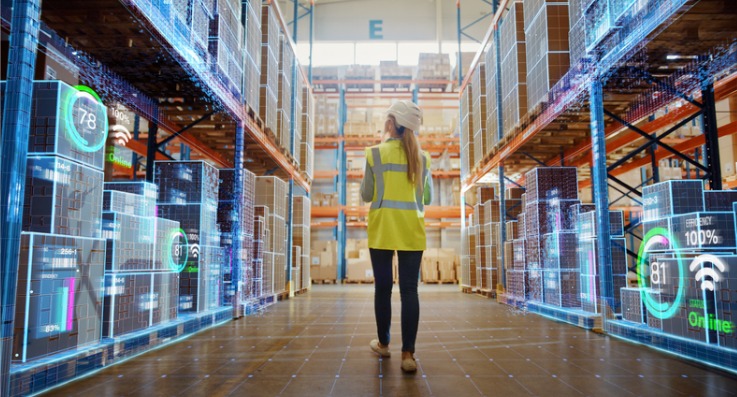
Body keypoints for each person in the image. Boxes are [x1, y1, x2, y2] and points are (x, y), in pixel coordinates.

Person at [360, 100, 432, 373]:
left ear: (392, 123)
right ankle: (408, 355)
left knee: (383, 289)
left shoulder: (374, 154)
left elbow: (367, 195)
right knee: (410, 291)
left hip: (381, 230)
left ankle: (384, 343)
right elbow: (427, 197)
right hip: (412, 231)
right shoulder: (423, 158)